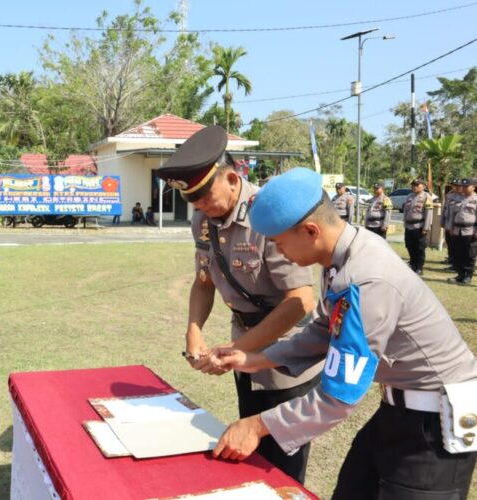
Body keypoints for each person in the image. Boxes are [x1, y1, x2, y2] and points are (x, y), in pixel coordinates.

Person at [209, 167, 476, 499]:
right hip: (398, 407)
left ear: (310, 231)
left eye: (278, 244)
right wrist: (257, 359)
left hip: (435, 423)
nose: (279, 253)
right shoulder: (344, 254)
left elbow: (336, 398)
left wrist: (256, 425)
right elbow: (325, 329)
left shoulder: (365, 278)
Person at [154, 126, 321, 483]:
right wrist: (193, 331)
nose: (199, 206)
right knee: (249, 448)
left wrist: (237, 349)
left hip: (285, 355)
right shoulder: (204, 219)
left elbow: (300, 301)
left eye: (204, 196)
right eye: (192, 200)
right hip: (243, 350)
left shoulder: (268, 216)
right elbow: (204, 281)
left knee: (282, 463)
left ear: (232, 178)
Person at [449, 177, 477, 285]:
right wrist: (450, 227)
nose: (464, 188)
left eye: (467, 186)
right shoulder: (458, 198)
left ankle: (468, 276)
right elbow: (452, 214)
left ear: (473, 187)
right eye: (463, 186)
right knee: (458, 253)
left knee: (469, 254)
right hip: (457, 229)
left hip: (470, 230)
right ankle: (460, 274)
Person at [402, 178, 433, 275]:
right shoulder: (409, 196)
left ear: (423, 186)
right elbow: (406, 211)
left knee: (419, 248)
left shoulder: (426, 197)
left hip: (419, 226)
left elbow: (429, 213)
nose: (414, 187)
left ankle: (419, 267)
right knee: (410, 246)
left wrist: (426, 227)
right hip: (409, 226)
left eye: (417, 185)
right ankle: (413, 264)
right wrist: (405, 223)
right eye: (413, 185)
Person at [443, 179, 463, 271]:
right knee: (449, 242)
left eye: (457, 185)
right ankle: (451, 259)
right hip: (449, 223)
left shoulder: (464, 196)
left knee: (457, 246)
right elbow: (446, 209)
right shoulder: (450, 195)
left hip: (458, 225)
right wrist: (443, 222)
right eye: (453, 185)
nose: (455, 187)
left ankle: (457, 264)